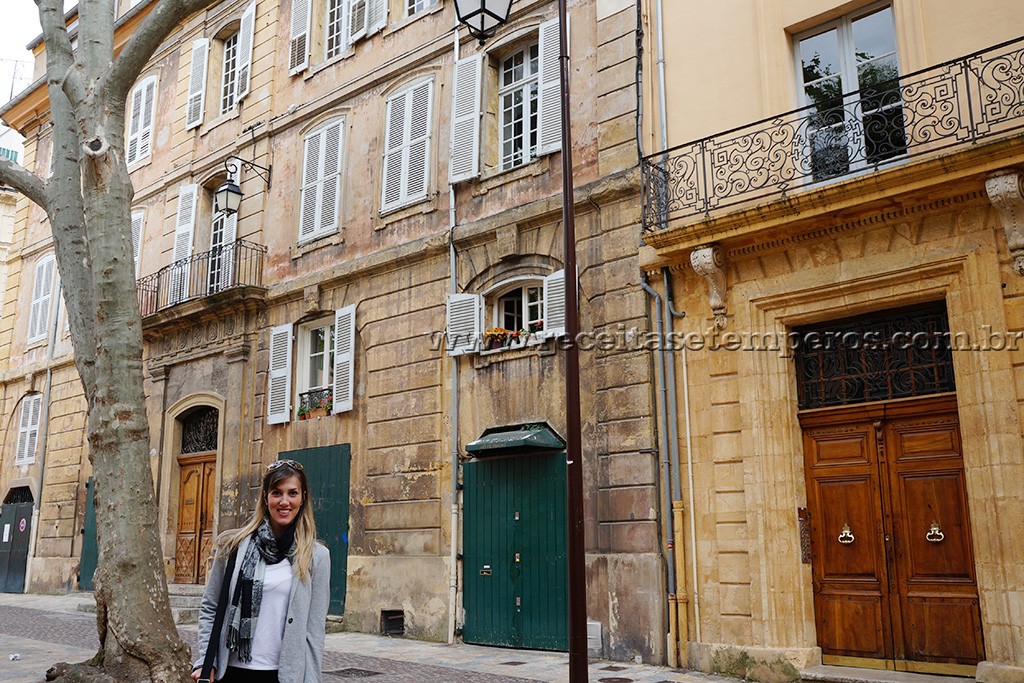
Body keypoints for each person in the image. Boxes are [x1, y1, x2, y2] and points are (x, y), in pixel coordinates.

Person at [192, 460, 330, 683]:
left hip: (283, 675)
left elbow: (314, 631)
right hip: (231, 671)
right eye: (277, 493)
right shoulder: (232, 545)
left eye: (292, 493)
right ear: (266, 497)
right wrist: (205, 662)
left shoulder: (317, 556)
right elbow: (211, 607)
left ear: (302, 498)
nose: (284, 501)